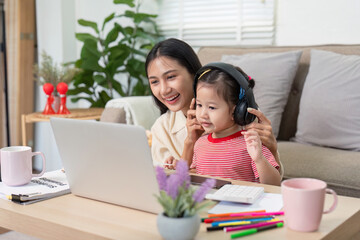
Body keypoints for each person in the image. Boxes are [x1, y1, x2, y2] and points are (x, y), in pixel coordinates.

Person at [145, 38, 281, 174]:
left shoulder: (245, 115)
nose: (163, 90)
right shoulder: (161, 128)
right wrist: (189, 144)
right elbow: (166, 185)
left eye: (170, 77)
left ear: (193, 74)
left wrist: (272, 148)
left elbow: (273, 181)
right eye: (155, 81)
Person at [190, 63, 281, 185]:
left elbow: (274, 185)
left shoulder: (251, 143)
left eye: (211, 107)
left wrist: (259, 159)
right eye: (199, 105)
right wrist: (177, 168)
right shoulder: (200, 144)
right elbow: (197, 177)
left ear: (238, 110)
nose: (202, 114)